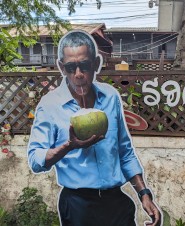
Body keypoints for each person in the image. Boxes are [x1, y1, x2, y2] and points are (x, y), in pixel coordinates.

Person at [27, 30, 162, 226]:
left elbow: (125, 151)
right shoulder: (49, 106)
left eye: (85, 65)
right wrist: (69, 146)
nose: (79, 74)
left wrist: (144, 193)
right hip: (78, 206)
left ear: (96, 64)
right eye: (71, 67)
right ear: (61, 67)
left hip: (116, 202)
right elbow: (35, 160)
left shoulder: (110, 96)